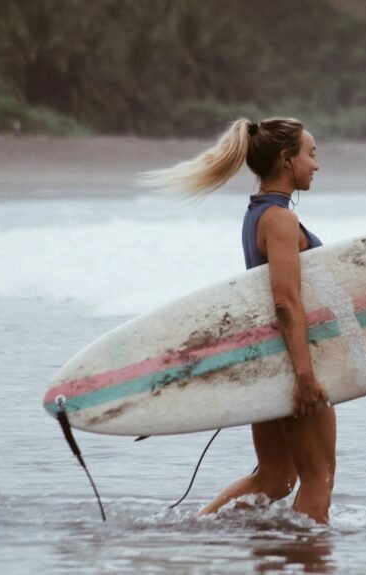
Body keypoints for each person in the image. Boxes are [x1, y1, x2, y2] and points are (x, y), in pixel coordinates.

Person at [142, 118, 334, 524]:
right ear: (287, 159)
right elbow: (285, 302)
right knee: (318, 478)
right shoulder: (279, 220)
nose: (316, 165)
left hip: (265, 362)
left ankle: (197, 527)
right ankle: (310, 560)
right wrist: (303, 375)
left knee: (275, 478)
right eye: (311, 154)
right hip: (290, 363)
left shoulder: (257, 214)